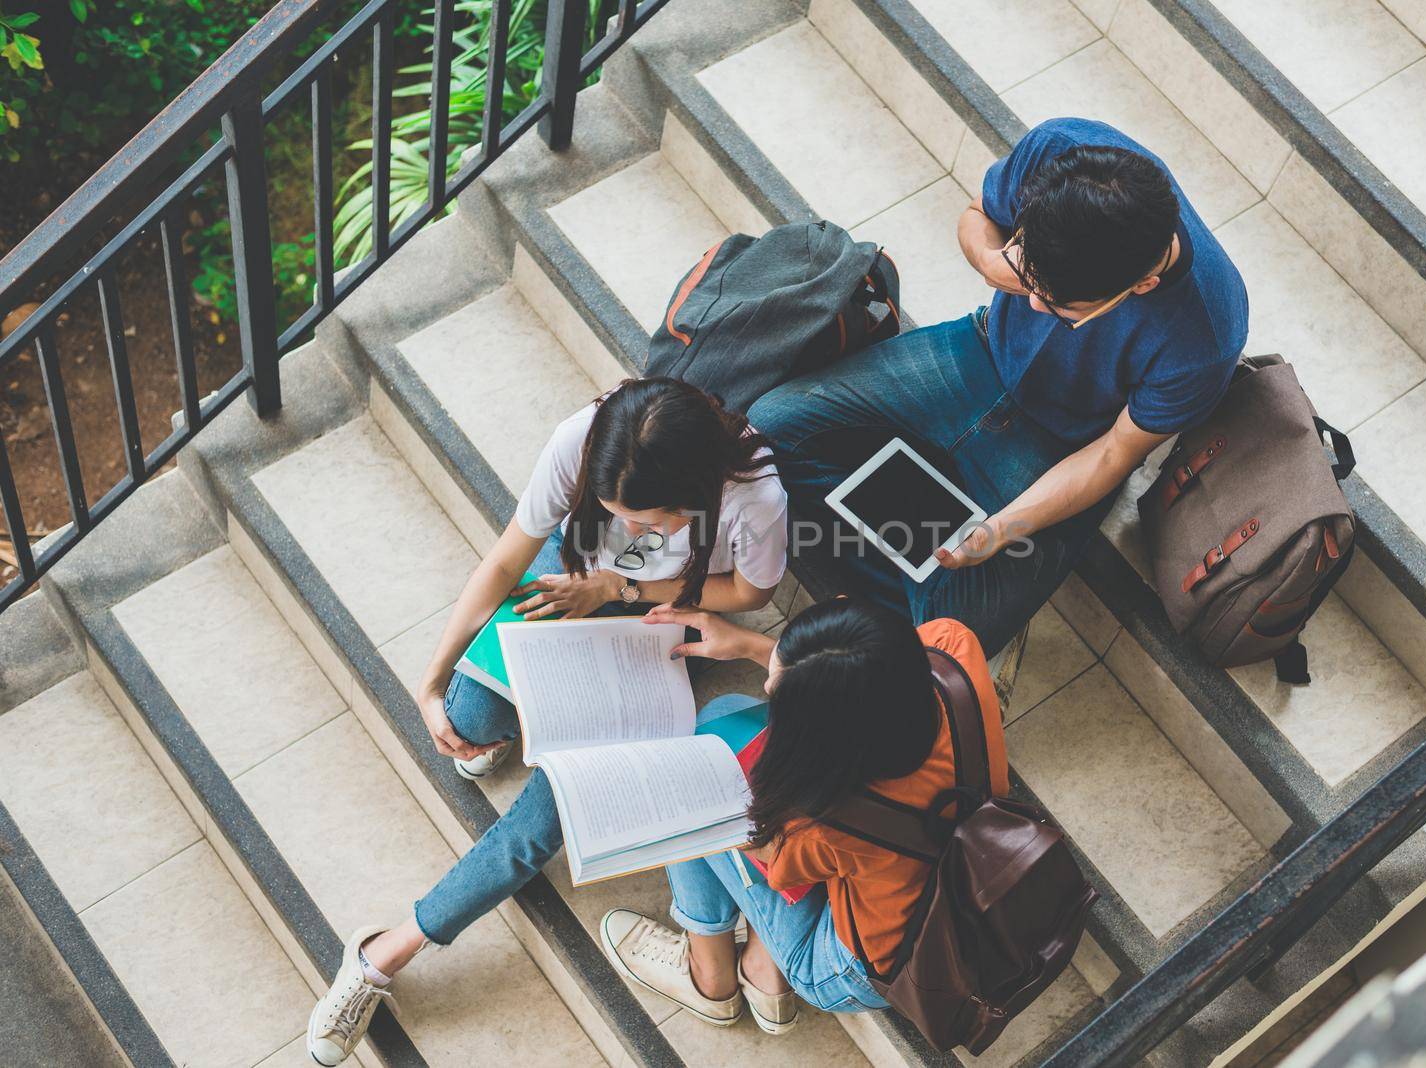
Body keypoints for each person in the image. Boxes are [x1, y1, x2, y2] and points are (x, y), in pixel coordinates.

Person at [303, 377, 788, 1067]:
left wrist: (619, 586)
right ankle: (527, 708)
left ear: (694, 493)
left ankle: (384, 954)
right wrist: (433, 679)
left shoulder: (754, 497)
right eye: (617, 511)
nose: (637, 530)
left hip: (652, 619)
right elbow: (507, 558)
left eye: (653, 522)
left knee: (544, 820)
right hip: (570, 577)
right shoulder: (582, 441)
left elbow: (750, 590)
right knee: (469, 720)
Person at [747, 117, 1249, 656]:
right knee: (770, 424)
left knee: (956, 633)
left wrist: (1000, 531)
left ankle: (891, 589)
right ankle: (899, 577)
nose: (1031, 302)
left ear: (1142, 285)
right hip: (976, 350)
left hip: (1065, 441)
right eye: (1029, 277)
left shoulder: (1206, 335)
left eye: (1056, 305)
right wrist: (992, 262)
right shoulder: (1061, 151)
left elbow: (1112, 456)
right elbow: (977, 217)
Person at [599, 597, 1007, 1033]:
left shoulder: (828, 821)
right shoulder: (949, 645)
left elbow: (775, 865)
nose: (766, 687)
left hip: (850, 968)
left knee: (689, 780)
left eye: (780, 690)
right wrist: (754, 647)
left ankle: (710, 975)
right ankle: (760, 963)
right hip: (957, 860)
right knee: (722, 716)